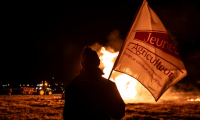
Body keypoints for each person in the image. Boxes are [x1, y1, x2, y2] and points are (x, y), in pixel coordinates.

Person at [63, 46, 125, 120]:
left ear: (81, 64)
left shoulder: (72, 85)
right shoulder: (108, 85)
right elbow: (119, 114)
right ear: (98, 63)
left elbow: (67, 115)